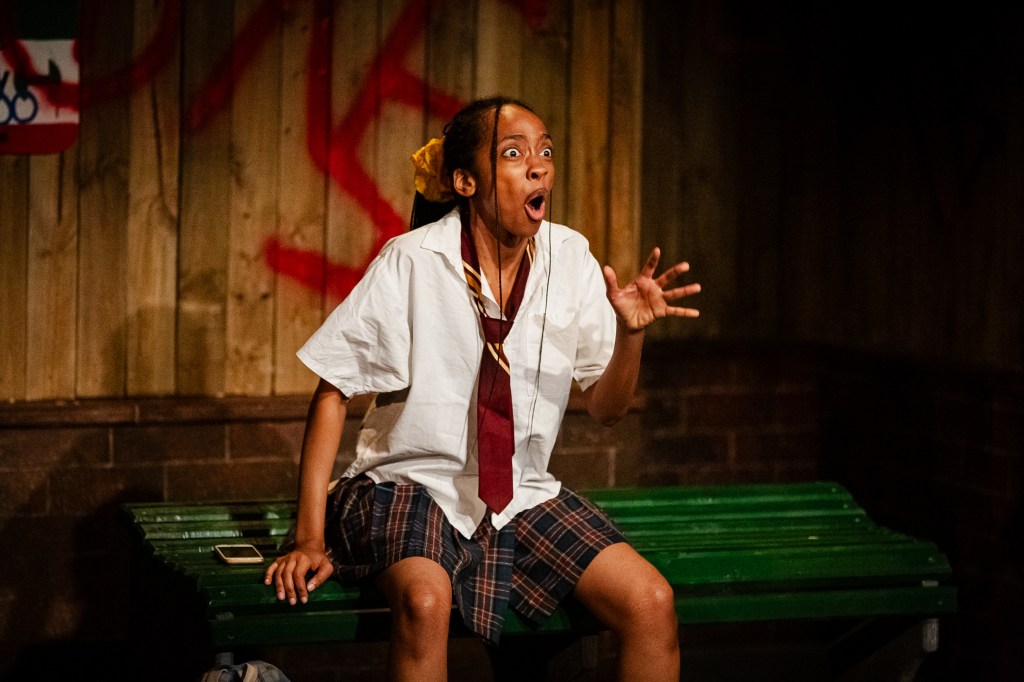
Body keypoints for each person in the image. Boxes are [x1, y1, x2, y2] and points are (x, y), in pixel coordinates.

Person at [264, 96, 701, 681]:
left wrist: (630, 337)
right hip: (409, 484)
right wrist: (311, 537)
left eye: (545, 151)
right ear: (466, 180)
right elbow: (332, 392)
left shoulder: (569, 259)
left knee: (651, 602)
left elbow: (607, 410)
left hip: (520, 495)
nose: (539, 166)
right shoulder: (414, 260)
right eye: (515, 154)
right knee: (425, 602)